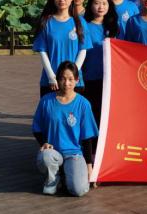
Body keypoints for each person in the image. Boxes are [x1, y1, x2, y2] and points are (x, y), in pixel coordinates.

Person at [32, 61, 99, 196]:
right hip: (53, 152)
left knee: (79, 190)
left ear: (77, 80)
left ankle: (66, 174)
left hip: (74, 154)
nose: (66, 83)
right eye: (62, 79)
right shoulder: (46, 101)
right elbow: (36, 127)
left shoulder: (83, 104)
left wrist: (89, 166)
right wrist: (44, 143)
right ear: (57, 79)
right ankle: (53, 179)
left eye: (70, 79)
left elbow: (87, 137)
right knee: (45, 157)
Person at [33, 0, 92, 97]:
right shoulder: (46, 22)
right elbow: (42, 51)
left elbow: (83, 50)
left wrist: (73, 75)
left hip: (74, 82)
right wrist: (51, 76)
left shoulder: (79, 22)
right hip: (51, 81)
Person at [82, 0, 118, 126]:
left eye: (104, 3)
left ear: (109, 5)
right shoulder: (84, 26)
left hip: (109, 78)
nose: (101, 7)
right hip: (89, 77)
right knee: (92, 114)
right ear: (91, 5)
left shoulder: (114, 27)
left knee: (107, 114)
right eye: (97, 3)